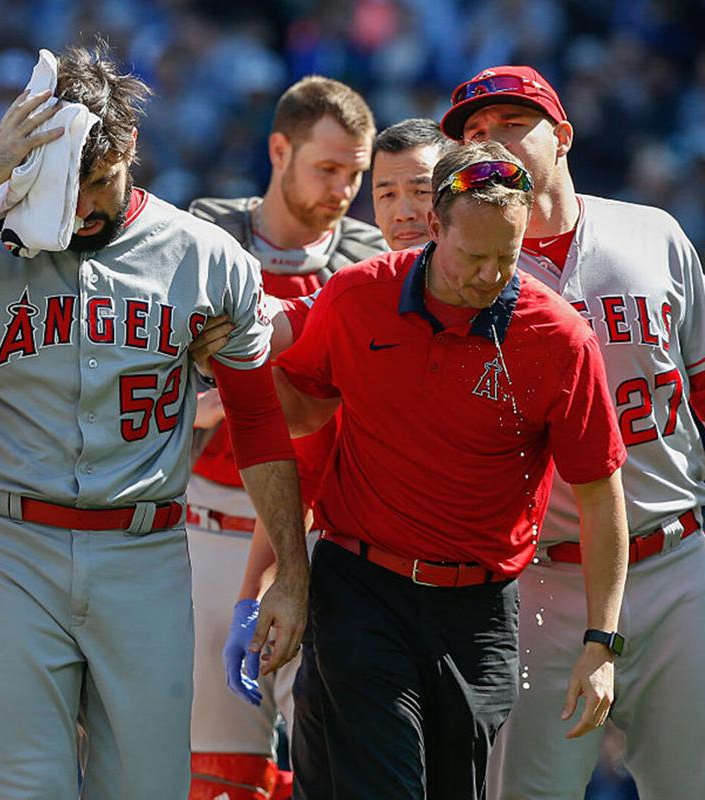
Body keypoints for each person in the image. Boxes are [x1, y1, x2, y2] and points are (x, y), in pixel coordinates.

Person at [0, 43, 309, 800]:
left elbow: (260, 423)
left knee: (147, 788)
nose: (81, 207)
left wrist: (291, 571)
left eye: (96, 181)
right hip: (9, 546)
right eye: (64, 183)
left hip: (146, 546)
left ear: (130, 149)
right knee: (28, 787)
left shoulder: (204, 257)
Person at [274, 141, 629, 799]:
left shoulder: (558, 339)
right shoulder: (356, 298)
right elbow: (300, 409)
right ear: (435, 227)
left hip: (479, 612)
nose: (491, 274)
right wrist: (232, 370)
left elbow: (602, 498)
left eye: (509, 255)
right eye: (475, 255)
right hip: (360, 588)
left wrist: (601, 643)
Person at [440, 65, 705, 800]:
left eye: (509, 125)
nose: (489, 143)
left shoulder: (653, 234)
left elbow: (701, 391)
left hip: (678, 557)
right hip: (541, 584)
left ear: (562, 136)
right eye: (474, 135)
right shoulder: (464, 275)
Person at [182, 75, 385, 800]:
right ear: (278, 149)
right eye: (326, 168)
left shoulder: (373, 261)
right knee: (217, 771)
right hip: (208, 521)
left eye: (355, 174)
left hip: (326, 539)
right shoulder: (202, 236)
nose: (342, 189)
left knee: (333, 766)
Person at [369, 118, 452, 252]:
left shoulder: (491, 270)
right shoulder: (358, 271)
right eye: (388, 195)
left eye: (421, 192)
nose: (403, 214)